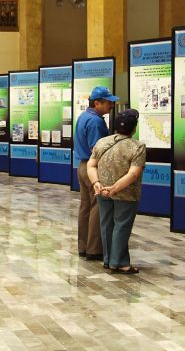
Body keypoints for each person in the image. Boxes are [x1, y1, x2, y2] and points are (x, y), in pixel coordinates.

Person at [87, 109, 146, 274]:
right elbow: (134, 173)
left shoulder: (102, 142)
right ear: (134, 128)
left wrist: (96, 183)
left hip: (102, 191)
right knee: (122, 226)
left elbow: (91, 165)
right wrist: (115, 188)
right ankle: (119, 263)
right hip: (126, 194)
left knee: (106, 224)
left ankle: (108, 260)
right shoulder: (138, 147)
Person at [73, 86, 118, 261]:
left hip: (82, 167)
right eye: (108, 102)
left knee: (85, 207)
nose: (111, 105)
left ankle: (83, 246)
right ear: (97, 103)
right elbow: (97, 149)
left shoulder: (84, 116)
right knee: (97, 208)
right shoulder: (96, 122)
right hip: (93, 168)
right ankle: (94, 249)